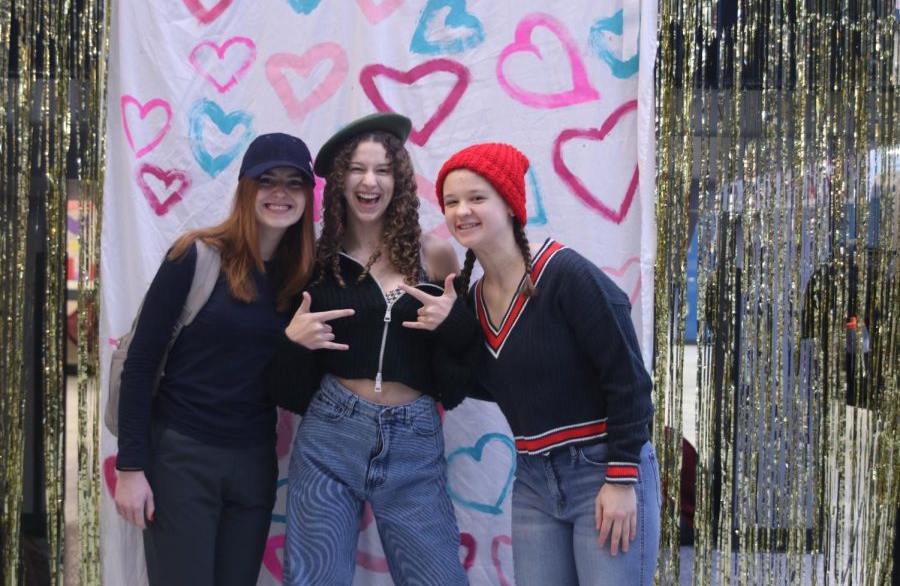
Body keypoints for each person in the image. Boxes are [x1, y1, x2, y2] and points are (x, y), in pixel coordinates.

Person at [265, 112, 478, 585]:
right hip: (329, 436)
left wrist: (453, 322)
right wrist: (293, 345)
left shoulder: (434, 254)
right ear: (339, 181)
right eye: (357, 169)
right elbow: (285, 387)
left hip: (414, 440)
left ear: (399, 180)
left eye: (383, 169)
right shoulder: (315, 261)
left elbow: (466, 362)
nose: (369, 181)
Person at [436, 143, 661, 586]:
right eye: (451, 201)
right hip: (535, 481)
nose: (462, 210)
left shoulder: (565, 274)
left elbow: (629, 380)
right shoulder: (474, 299)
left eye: (477, 197)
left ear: (510, 203)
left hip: (602, 470)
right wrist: (450, 329)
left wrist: (620, 479)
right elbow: (493, 387)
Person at [113, 133, 318, 586]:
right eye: (267, 180)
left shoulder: (303, 278)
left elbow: (293, 384)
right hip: (181, 459)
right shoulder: (196, 255)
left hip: (254, 463)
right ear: (246, 187)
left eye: (294, 182)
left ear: (308, 194)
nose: (280, 193)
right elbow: (141, 361)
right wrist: (130, 466)